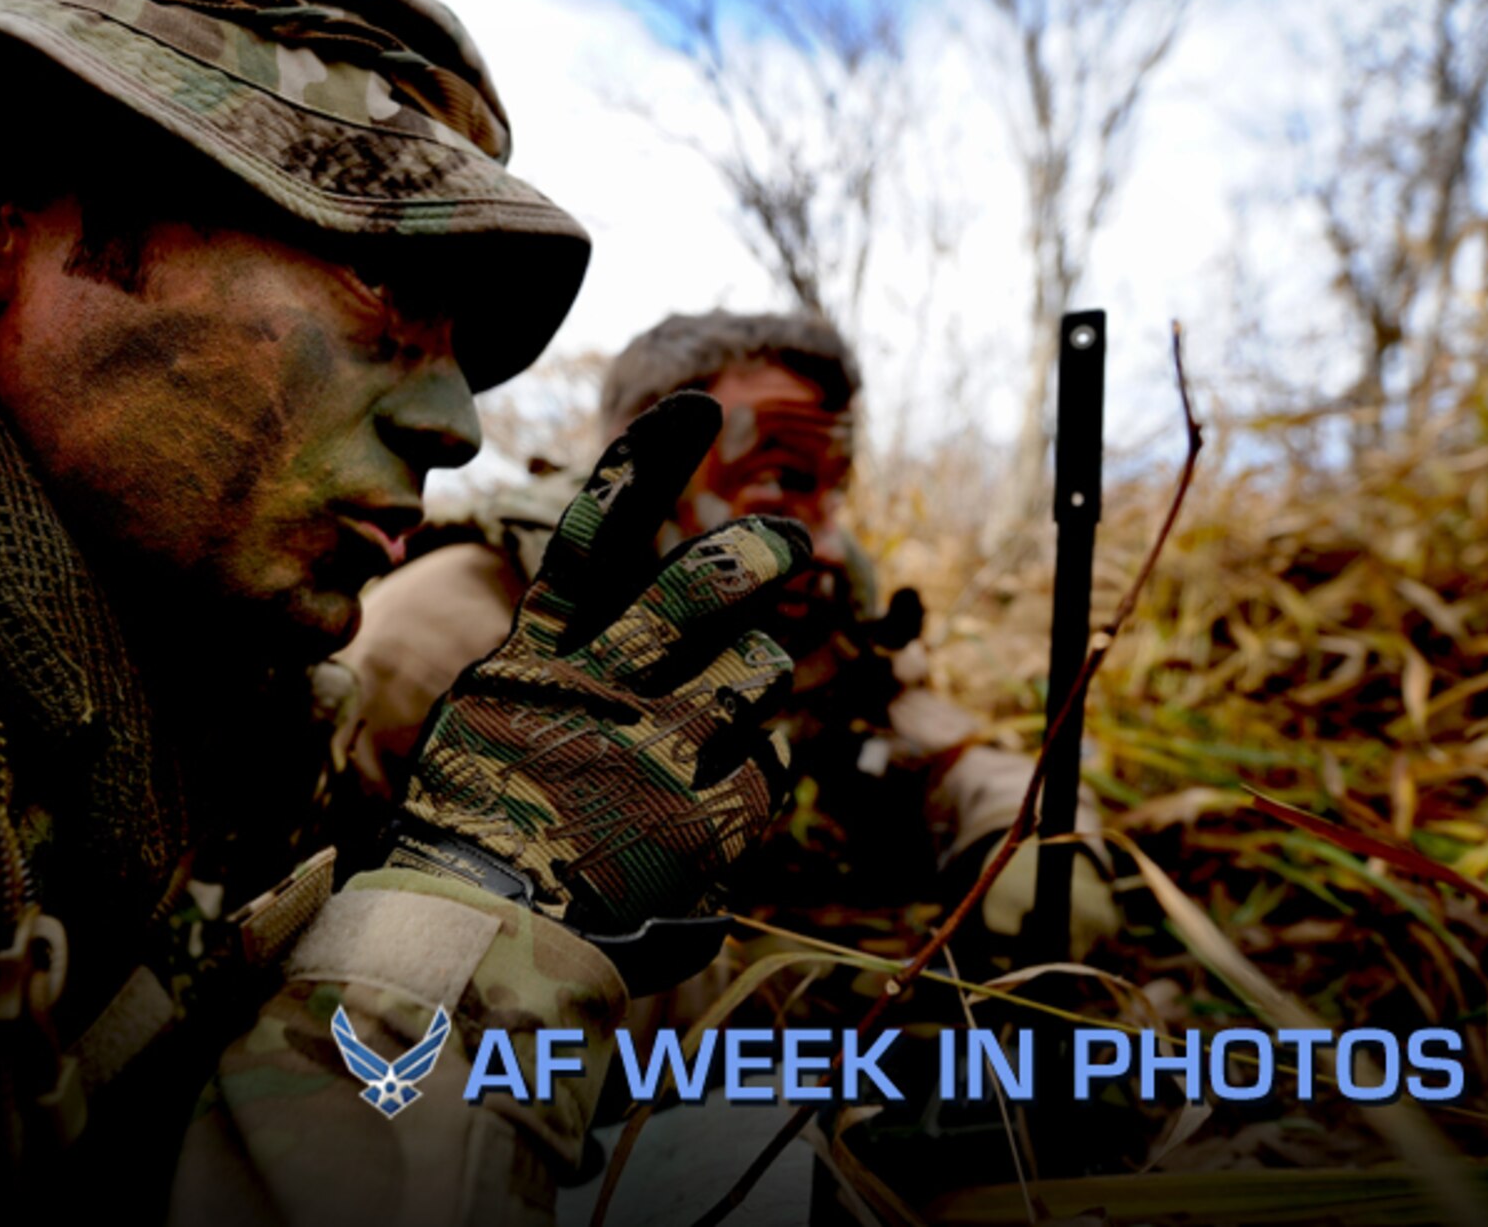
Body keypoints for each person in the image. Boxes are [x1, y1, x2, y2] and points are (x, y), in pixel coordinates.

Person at [0, 0, 804, 1224]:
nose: (458, 423)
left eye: (464, 341)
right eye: (387, 289)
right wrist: (475, 905)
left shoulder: (135, 664)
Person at [336, 310, 1119, 956]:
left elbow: (945, 754)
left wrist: (1032, 852)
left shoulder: (806, 622)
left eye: (833, 489)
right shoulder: (451, 640)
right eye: (779, 480)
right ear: (648, 470)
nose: (829, 536)